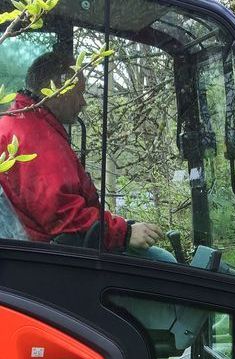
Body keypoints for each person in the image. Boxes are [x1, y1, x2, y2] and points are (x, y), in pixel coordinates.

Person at [0, 51, 171, 260]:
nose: (84, 102)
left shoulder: (27, 123)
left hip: (43, 253)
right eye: (79, 92)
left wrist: (116, 225)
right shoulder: (33, 136)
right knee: (161, 261)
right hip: (46, 261)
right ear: (58, 89)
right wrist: (124, 233)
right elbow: (63, 217)